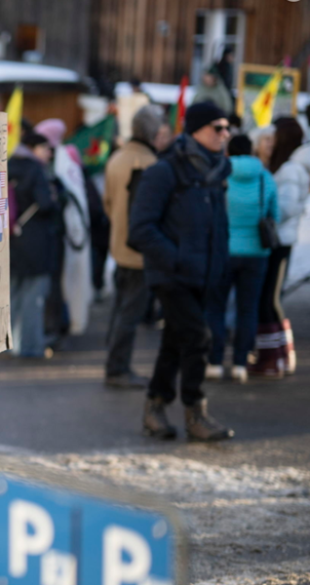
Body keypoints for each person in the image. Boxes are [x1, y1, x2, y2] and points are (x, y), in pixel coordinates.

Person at [129, 102, 235, 442]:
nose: (225, 133)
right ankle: (195, 412)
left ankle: (154, 408)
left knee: (175, 343)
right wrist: (174, 259)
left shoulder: (217, 171)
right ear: (196, 130)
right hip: (171, 275)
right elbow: (140, 229)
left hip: (203, 275)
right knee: (199, 337)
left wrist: (219, 265)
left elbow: (218, 227)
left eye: (227, 127)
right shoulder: (165, 171)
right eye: (218, 127)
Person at [103, 106, 172, 388]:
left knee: (120, 311)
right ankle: (117, 368)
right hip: (139, 252)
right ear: (153, 133)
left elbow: (108, 203)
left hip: (120, 244)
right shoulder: (149, 164)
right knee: (129, 314)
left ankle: (114, 362)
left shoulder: (118, 158)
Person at [206, 134, 279, 383]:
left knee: (215, 306)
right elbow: (274, 214)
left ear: (228, 152)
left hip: (224, 251)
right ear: (251, 151)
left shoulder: (220, 175)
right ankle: (239, 363)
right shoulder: (265, 178)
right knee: (248, 310)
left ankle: (214, 361)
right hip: (256, 253)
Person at [36, 118, 93, 337]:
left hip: (57, 233)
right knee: (61, 282)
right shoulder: (68, 158)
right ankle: (62, 322)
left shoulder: (60, 161)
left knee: (56, 283)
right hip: (64, 233)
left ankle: (57, 325)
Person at [260, 118, 309, 376]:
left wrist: (266, 212)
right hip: (280, 240)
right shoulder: (291, 167)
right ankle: (277, 356)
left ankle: (278, 356)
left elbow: (287, 207)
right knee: (270, 297)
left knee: (271, 298)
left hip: (280, 241)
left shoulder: (290, 169)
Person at [8, 132, 59, 359]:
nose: (49, 153)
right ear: (32, 148)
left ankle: (7, 343)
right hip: (35, 241)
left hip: (8, 239)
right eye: (45, 148)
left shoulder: (5, 165)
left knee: (12, 295)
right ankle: (29, 346)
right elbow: (46, 204)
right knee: (33, 297)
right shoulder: (35, 170)